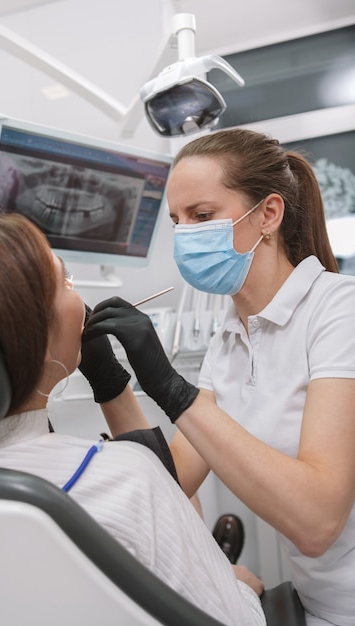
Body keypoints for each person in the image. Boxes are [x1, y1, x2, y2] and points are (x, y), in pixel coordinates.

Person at [83, 128, 355, 626]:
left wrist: (174, 391)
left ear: (268, 215)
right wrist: (109, 381)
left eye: (202, 216)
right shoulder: (229, 340)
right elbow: (168, 483)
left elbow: (317, 522)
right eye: (177, 220)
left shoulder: (340, 310)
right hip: (318, 609)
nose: (186, 233)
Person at [0, 212, 265, 626]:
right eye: (66, 281)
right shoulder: (127, 479)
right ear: (36, 338)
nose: (78, 295)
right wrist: (237, 589)